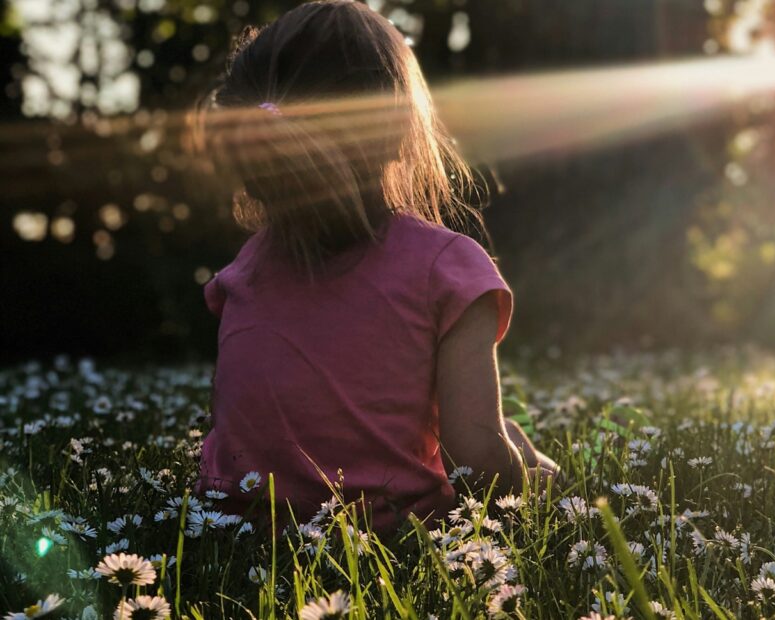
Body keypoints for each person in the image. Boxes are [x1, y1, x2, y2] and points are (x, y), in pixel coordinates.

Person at [192, 0, 558, 533]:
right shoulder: (447, 269)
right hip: (390, 536)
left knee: (505, 431)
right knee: (513, 445)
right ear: (394, 129)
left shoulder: (244, 271)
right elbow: (476, 460)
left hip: (241, 528)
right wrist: (540, 482)